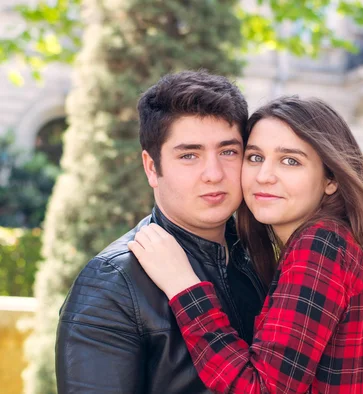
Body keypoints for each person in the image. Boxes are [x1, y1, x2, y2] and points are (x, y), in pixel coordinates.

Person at [129, 96, 363, 393]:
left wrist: (184, 287)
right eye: (255, 157)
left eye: (290, 161)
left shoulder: (322, 245)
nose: (265, 175)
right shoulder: (329, 241)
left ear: (330, 179)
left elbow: (261, 387)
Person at [55, 70, 266, 394]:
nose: (213, 174)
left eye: (228, 151)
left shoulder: (261, 258)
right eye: (189, 155)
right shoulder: (111, 285)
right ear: (152, 167)